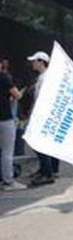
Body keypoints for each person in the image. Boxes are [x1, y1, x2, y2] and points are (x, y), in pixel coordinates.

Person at [27, 51, 60, 186]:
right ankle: (47, 169)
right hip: (43, 114)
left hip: (42, 114)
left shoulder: (46, 77)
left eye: (34, 61)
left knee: (38, 143)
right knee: (43, 143)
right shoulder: (44, 77)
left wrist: (34, 114)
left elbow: (43, 98)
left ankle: (47, 173)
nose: (32, 63)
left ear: (41, 62)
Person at [0, 56, 24, 191]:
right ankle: (8, 181)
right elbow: (17, 95)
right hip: (5, 119)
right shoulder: (4, 78)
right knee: (7, 152)